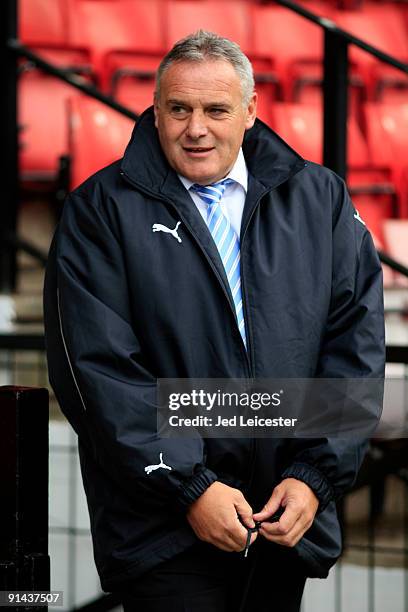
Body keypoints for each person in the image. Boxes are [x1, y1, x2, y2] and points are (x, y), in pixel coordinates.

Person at [43, 30, 385, 611]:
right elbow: (99, 375)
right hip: (166, 534)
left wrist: (313, 476)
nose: (195, 127)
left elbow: (354, 345)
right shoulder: (98, 212)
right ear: (156, 111)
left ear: (250, 111)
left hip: (283, 524)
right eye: (179, 109)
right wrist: (190, 488)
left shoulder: (319, 199)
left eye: (215, 109)